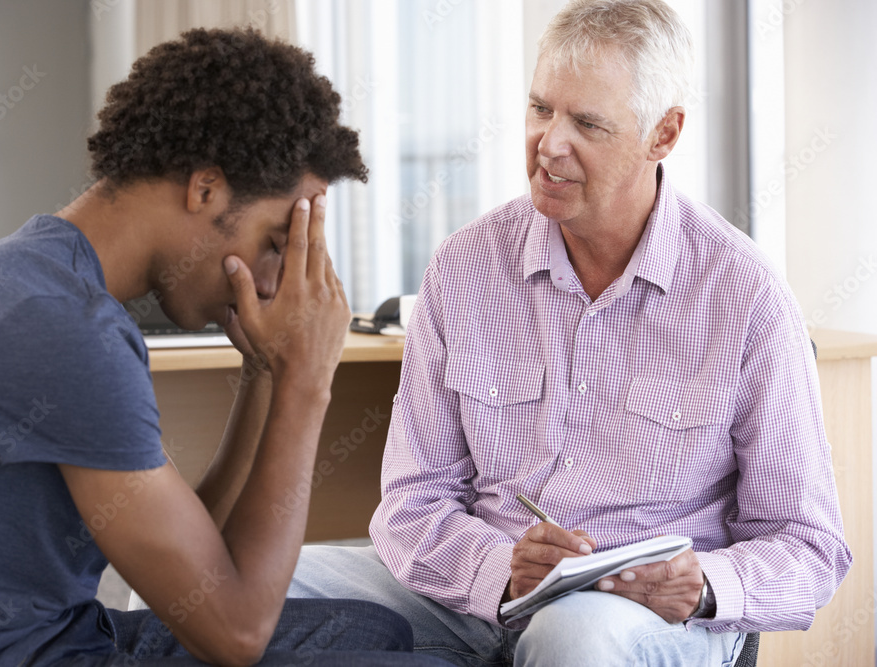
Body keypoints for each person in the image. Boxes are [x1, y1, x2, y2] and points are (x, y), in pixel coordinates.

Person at [287, 1, 852, 665]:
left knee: (571, 637)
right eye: (540, 109)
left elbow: (809, 546)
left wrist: (703, 584)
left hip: (643, 619)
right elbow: (414, 501)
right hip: (481, 594)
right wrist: (503, 569)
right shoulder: (465, 267)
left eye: (586, 122)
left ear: (663, 134)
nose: (549, 142)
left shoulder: (746, 295)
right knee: (236, 592)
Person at [0, 28, 451, 667]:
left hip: (48, 638)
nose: (271, 282)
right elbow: (234, 634)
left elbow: (199, 567)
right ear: (205, 189)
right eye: (272, 243)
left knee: (376, 632)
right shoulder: (67, 332)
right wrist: (306, 381)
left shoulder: (39, 275)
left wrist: (264, 370)